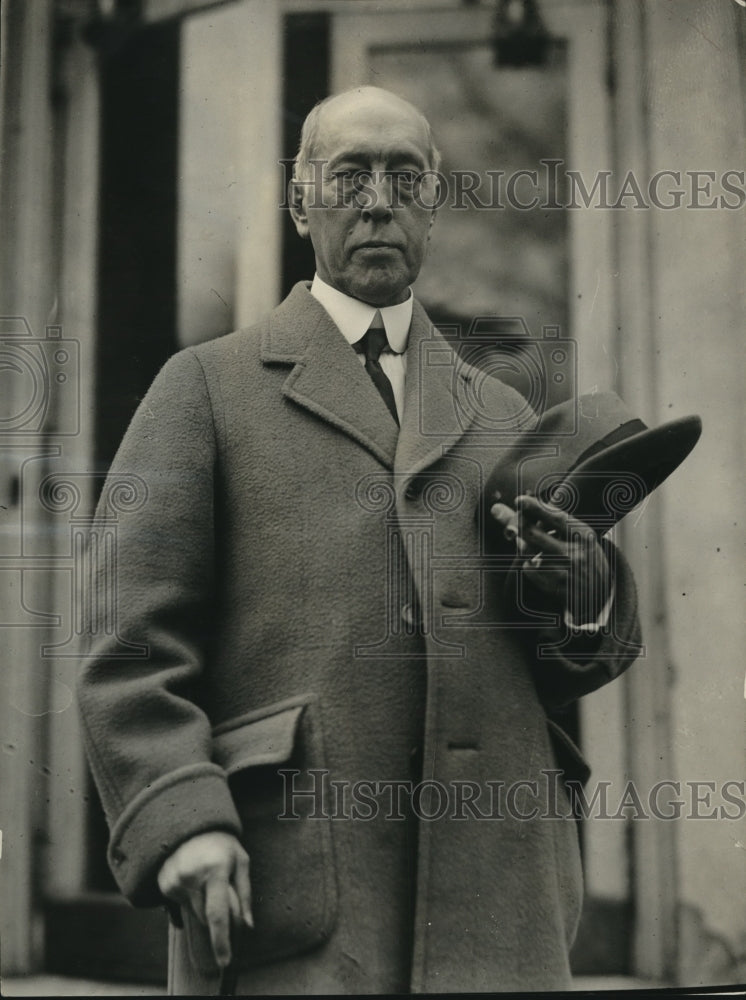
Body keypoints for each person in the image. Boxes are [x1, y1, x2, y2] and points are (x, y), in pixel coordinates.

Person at [78, 86, 641, 994]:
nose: (377, 198)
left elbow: (557, 658)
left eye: (404, 175)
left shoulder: (498, 411)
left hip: (499, 904)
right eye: (349, 175)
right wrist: (182, 817)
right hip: (296, 891)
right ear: (301, 203)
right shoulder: (205, 390)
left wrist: (586, 592)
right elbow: (129, 647)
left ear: (434, 203)